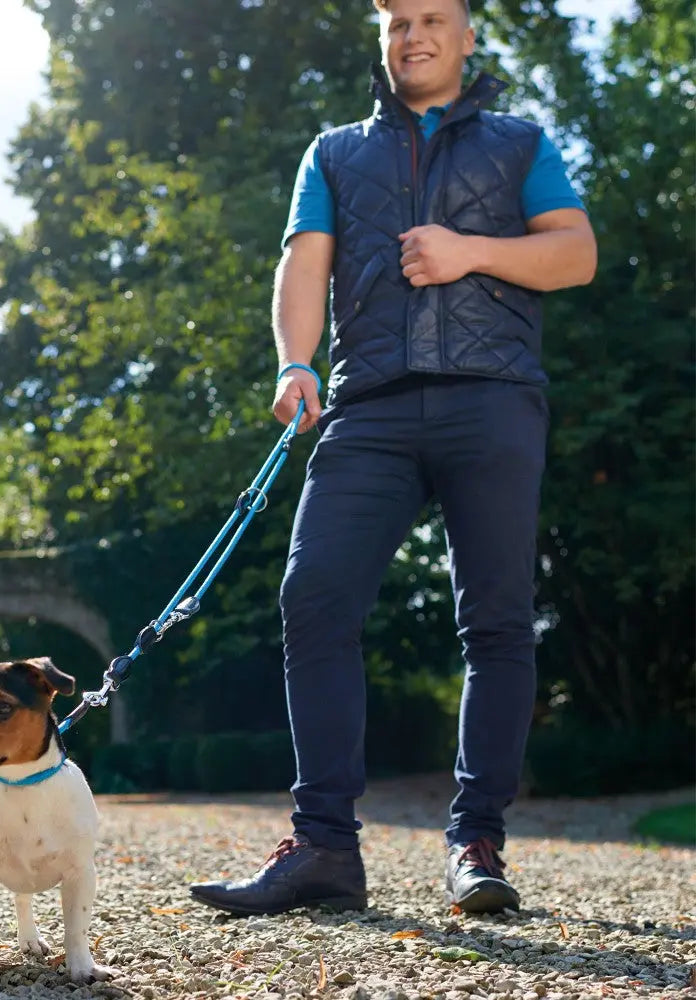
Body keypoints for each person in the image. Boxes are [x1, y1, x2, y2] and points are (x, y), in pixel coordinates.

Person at [189, 0, 596, 917]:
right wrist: (296, 362)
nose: (412, 35)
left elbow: (574, 254)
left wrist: (466, 252)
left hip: (493, 401)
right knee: (315, 596)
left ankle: (476, 843)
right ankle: (326, 848)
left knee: (496, 620)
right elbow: (302, 264)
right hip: (366, 408)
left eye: (430, 17)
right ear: (382, 38)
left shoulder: (521, 142)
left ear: (466, 34)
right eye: (396, 21)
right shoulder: (334, 153)